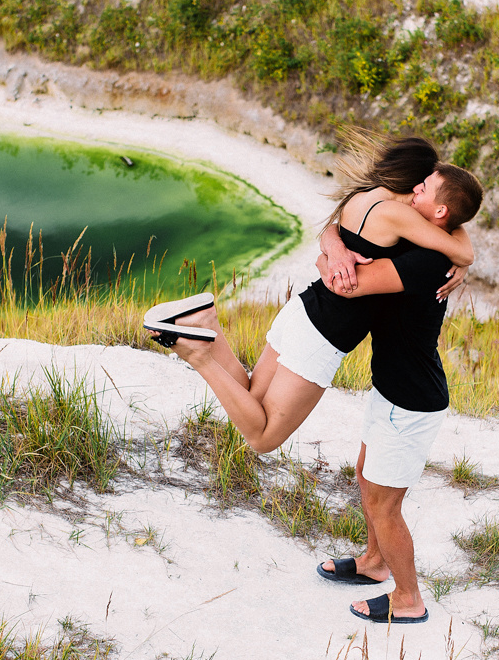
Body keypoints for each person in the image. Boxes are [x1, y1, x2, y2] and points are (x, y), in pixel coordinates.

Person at [143, 137, 477, 455]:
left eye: (426, 187)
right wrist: (459, 257)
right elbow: (459, 249)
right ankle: (199, 355)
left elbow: (336, 233)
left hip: (302, 310)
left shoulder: (361, 196)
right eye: (422, 183)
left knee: (250, 397)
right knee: (262, 437)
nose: (419, 190)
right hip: (324, 334)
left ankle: (207, 324)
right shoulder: (399, 214)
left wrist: (330, 249)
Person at [309, 164, 482, 625]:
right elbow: (347, 225)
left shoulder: (427, 262)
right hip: (393, 388)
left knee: (385, 505)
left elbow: (345, 285)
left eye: (422, 188)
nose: (412, 188)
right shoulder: (424, 241)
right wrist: (332, 241)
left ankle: (409, 599)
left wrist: (331, 259)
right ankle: (373, 563)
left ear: (440, 211)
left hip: (412, 400)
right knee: (368, 477)